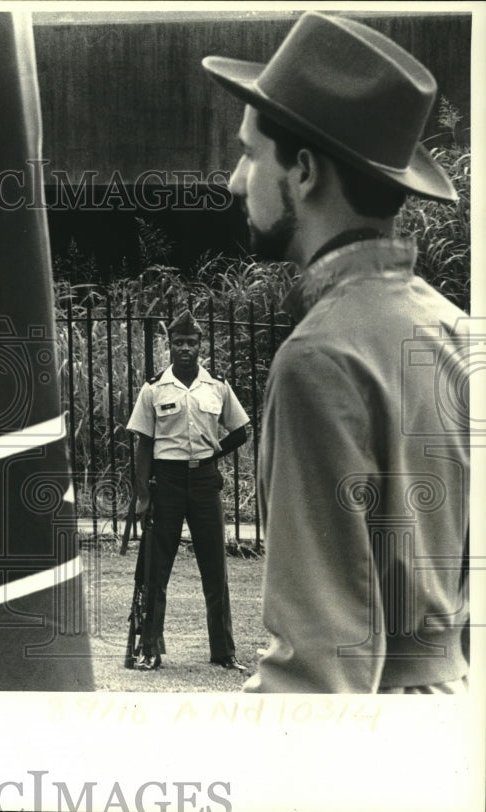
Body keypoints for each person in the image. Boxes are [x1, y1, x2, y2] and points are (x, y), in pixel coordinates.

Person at [203, 11, 470, 692]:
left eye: (249, 154)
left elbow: (318, 672)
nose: (236, 181)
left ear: (304, 170)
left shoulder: (321, 360)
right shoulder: (460, 333)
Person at [126, 309, 250, 672]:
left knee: (215, 568)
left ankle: (224, 652)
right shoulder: (153, 388)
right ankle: (149, 649)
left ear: (200, 346)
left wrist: (215, 452)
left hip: (204, 483)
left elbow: (240, 431)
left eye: (191, 343)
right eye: (178, 342)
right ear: (169, 346)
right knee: (155, 569)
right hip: (166, 483)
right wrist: (143, 496)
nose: (184, 349)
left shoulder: (217, 386)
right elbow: (144, 444)